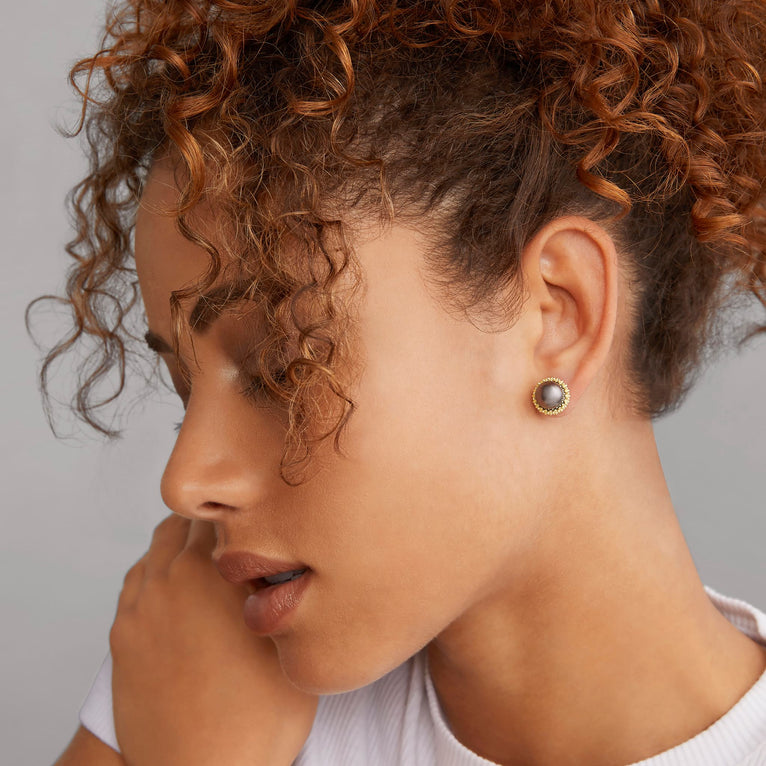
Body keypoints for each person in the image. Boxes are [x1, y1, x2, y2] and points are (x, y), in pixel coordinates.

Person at [40, 1, 766, 764]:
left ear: (560, 313)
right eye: (186, 387)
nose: (185, 481)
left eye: (282, 366)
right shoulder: (198, 674)